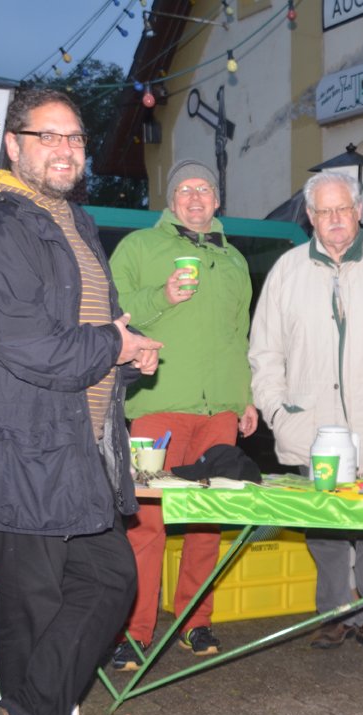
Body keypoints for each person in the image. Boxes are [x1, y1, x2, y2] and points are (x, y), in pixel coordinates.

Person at [0, 89, 162, 715]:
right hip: (21, 441)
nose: (66, 149)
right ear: (14, 145)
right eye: (49, 136)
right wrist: (111, 344)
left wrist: (127, 347)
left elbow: (90, 322)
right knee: (37, 600)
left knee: (104, 578)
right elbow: (27, 343)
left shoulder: (69, 219)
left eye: (75, 139)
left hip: (74, 439)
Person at [248, 170, 363, 656]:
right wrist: (279, 414)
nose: (334, 219)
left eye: (342, 209)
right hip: (312, 423)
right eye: (323, 211)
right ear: (310, 217)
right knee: (324, 525)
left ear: (357, 212)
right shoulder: (286, 271)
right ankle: (332, 613)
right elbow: (264, 353)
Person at [107, 159, 256, 666]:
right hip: (158, 403)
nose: (195, 198)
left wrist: (245, 396)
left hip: (219, 413)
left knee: (206, 523)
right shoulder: (139, 248)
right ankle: (135, 631)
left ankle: (196, 622)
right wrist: (162, 295)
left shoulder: (234, 260)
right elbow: (111, 315)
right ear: (171, 200)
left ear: (217, 201)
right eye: (185, 190)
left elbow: (240, 337)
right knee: (145, 523)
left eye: (205, 190)